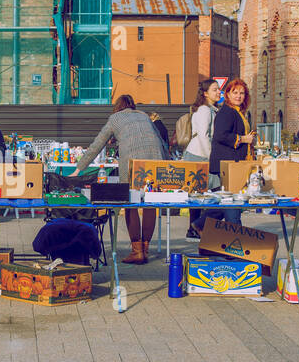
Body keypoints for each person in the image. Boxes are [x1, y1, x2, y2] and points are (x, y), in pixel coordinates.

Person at [72, 94, 167, 265]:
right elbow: (161, 141)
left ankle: (137, 251)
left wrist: (79, 169)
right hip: (155, 160)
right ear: (132, 106)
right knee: (150, 203)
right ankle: (145, 249)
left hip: (132, 162)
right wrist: (169, 167)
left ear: (117, 107)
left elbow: (97, 144)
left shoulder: (115, 118)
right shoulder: (144, 116)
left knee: (130, 203)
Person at [206, 78, 255, 227]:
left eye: (242, 93)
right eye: (235, 93)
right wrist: (242, 139)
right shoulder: (227, 111)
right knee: (234, 200)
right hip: (227, 163)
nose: (238, 96)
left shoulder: (238, 112)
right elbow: (220, 135)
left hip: (234, 163)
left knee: (230, 200)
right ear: (227, 94)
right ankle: (235, 234)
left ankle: (200, 224)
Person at [180, 78, 221, 237]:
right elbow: (204, 136)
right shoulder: (204, 110)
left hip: (200, 154)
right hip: (200, 155)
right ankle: (196, 227)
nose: (218, 92)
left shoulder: (209, 109)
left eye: (218, 89)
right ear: (205, 93)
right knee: (216, 194)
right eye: (214, 90)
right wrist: (212, 159)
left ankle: (195, 228)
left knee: (198, 195)